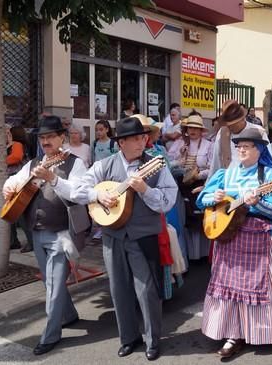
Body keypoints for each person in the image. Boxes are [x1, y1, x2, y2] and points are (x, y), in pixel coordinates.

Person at [62, 116, 178, 360]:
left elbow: (168, 200)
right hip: (113, 236)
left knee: (147, 290)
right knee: (119, 289)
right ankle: (128, 338)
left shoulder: (156, 164)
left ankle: (152, 340)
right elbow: (78, 189)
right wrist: (98, 196)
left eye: (143, 137)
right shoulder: (105, 165)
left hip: (144, 236)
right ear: (121, 143)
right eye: (135, 139)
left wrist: (145, 190)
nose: (141, 142)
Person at [196, 128, 272, 359]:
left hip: (259, 237)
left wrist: (255, 204)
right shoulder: (225, 174)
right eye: (239, 147)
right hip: (228, 237)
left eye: (247, 146)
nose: (241, 150)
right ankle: (232, 333)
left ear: (260, 150)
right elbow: (201, 199)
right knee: (231, 286)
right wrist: (212, 198)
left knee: (266, 284)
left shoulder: (269, 175)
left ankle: (266, 331)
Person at [2, 116, 89, 356]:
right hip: (36, 233)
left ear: (62, 137)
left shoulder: (75, 164)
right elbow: (13, 180)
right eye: (42, 137)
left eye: (50, 136)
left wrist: (53, 179)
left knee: (52, 287)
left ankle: (50, 336)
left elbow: (79, 194)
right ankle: (69, 315)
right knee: (50, 282)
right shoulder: (32, 164)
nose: (46, 141)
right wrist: (8, 187)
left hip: (61, 234)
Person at [167, 115, 214, 260]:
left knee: (200, 217)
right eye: (190, 128)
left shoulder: (208, 145)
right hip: (183, 186)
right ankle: (188, 255)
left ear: (201, 131)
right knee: (185, 218)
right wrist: (180, 157)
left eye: (196, 128)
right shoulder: (179, 143)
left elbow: (213, 167)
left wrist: (198, 175)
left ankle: (203, 254)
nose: (192, 130)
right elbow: (168, 163)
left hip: (200, 185)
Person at [209, 100, 269, 175]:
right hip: (229, 181)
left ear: (242, 119)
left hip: (253, 180)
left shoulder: (259, 132)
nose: (230, 127)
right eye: (228, 124)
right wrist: (209, 184)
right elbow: (216, 162)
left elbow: (267, 160)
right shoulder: (223, 133)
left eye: (233, 124)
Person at [5, 125, 34, 252]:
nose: (6, 134)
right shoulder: (22, 144)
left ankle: (30, 241)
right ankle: (13, 240)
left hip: (15, 178)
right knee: (13, 211)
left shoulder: (16, 144)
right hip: (18, 179)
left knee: (19, 212)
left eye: (8, 132)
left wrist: (0, 160)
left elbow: (16, 157)